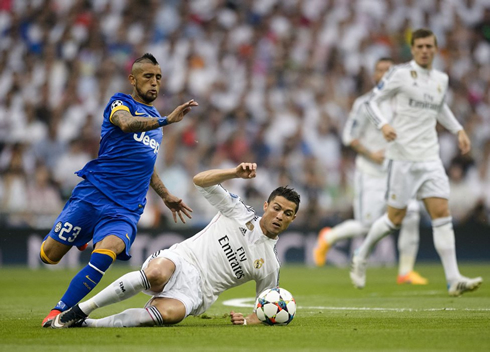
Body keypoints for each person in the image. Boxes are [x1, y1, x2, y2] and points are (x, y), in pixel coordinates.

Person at [41, 53, 196, 327]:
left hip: (126, 209)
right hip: (94, 194)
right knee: (49, 255)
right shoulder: (120, 103)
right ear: (132, 79)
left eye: (158, 77)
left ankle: (60, 313)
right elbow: (125, 123)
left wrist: (166, 195)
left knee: (106, 255)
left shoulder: (156, 124)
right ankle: (86, 233)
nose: (154, 83)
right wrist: (166, 121)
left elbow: (146, 163)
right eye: (148, 76)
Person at [49, 162, 300, 328]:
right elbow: (200, 180)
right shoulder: (238, 211)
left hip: (198, 293)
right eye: (277, 208)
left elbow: (264, 307)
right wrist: (234, 173)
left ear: (293, 218)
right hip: (183, 258)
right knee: (156, 273)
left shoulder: (270, 265)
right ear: (266, 206)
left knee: (169, 315)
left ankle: (89, 325)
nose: (280, 216)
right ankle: (80, 310)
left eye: (287, 214)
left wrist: (246, 321)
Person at [349, 29, 482, 296]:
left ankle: (453, 278)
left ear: (435, 48)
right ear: (413, 49)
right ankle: (361, 257)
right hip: (402, 158)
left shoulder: (440, 79)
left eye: (428, 46)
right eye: (419, 46)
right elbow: (372, 102)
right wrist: (383, 124)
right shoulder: (399, 74)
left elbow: (440, 107)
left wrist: (458, 130)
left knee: (442, 215)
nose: (424, 50)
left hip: (430, 158)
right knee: (393, 219)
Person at [313, 58, 428, 285]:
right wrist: (370, 153)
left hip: (397, 172)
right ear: (374, 75)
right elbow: (349, 137)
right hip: (370, 173)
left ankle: (405, 271)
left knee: (413, 213)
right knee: (367, 225)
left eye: (389, 70)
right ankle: (329, 236)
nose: (385, 74)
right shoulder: (364, 104)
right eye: (380, 70)